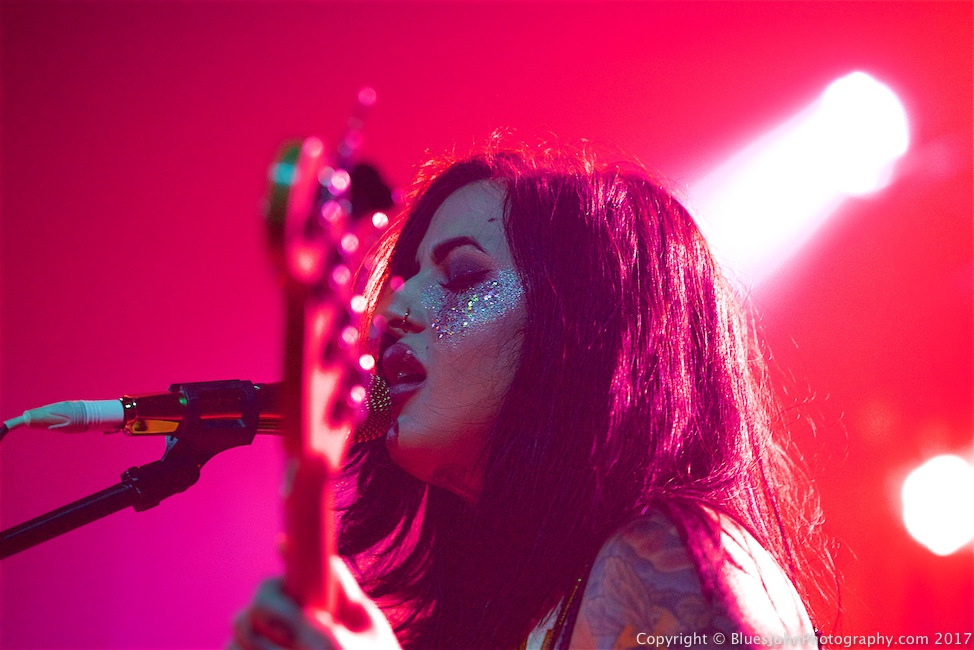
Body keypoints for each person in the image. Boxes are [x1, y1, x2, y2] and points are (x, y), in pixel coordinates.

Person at [231, 141, 832, 650]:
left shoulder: (665, 558)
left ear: (586, 329)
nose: (391, 308)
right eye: (404, 277)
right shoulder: (513, 604)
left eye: (463, 276)